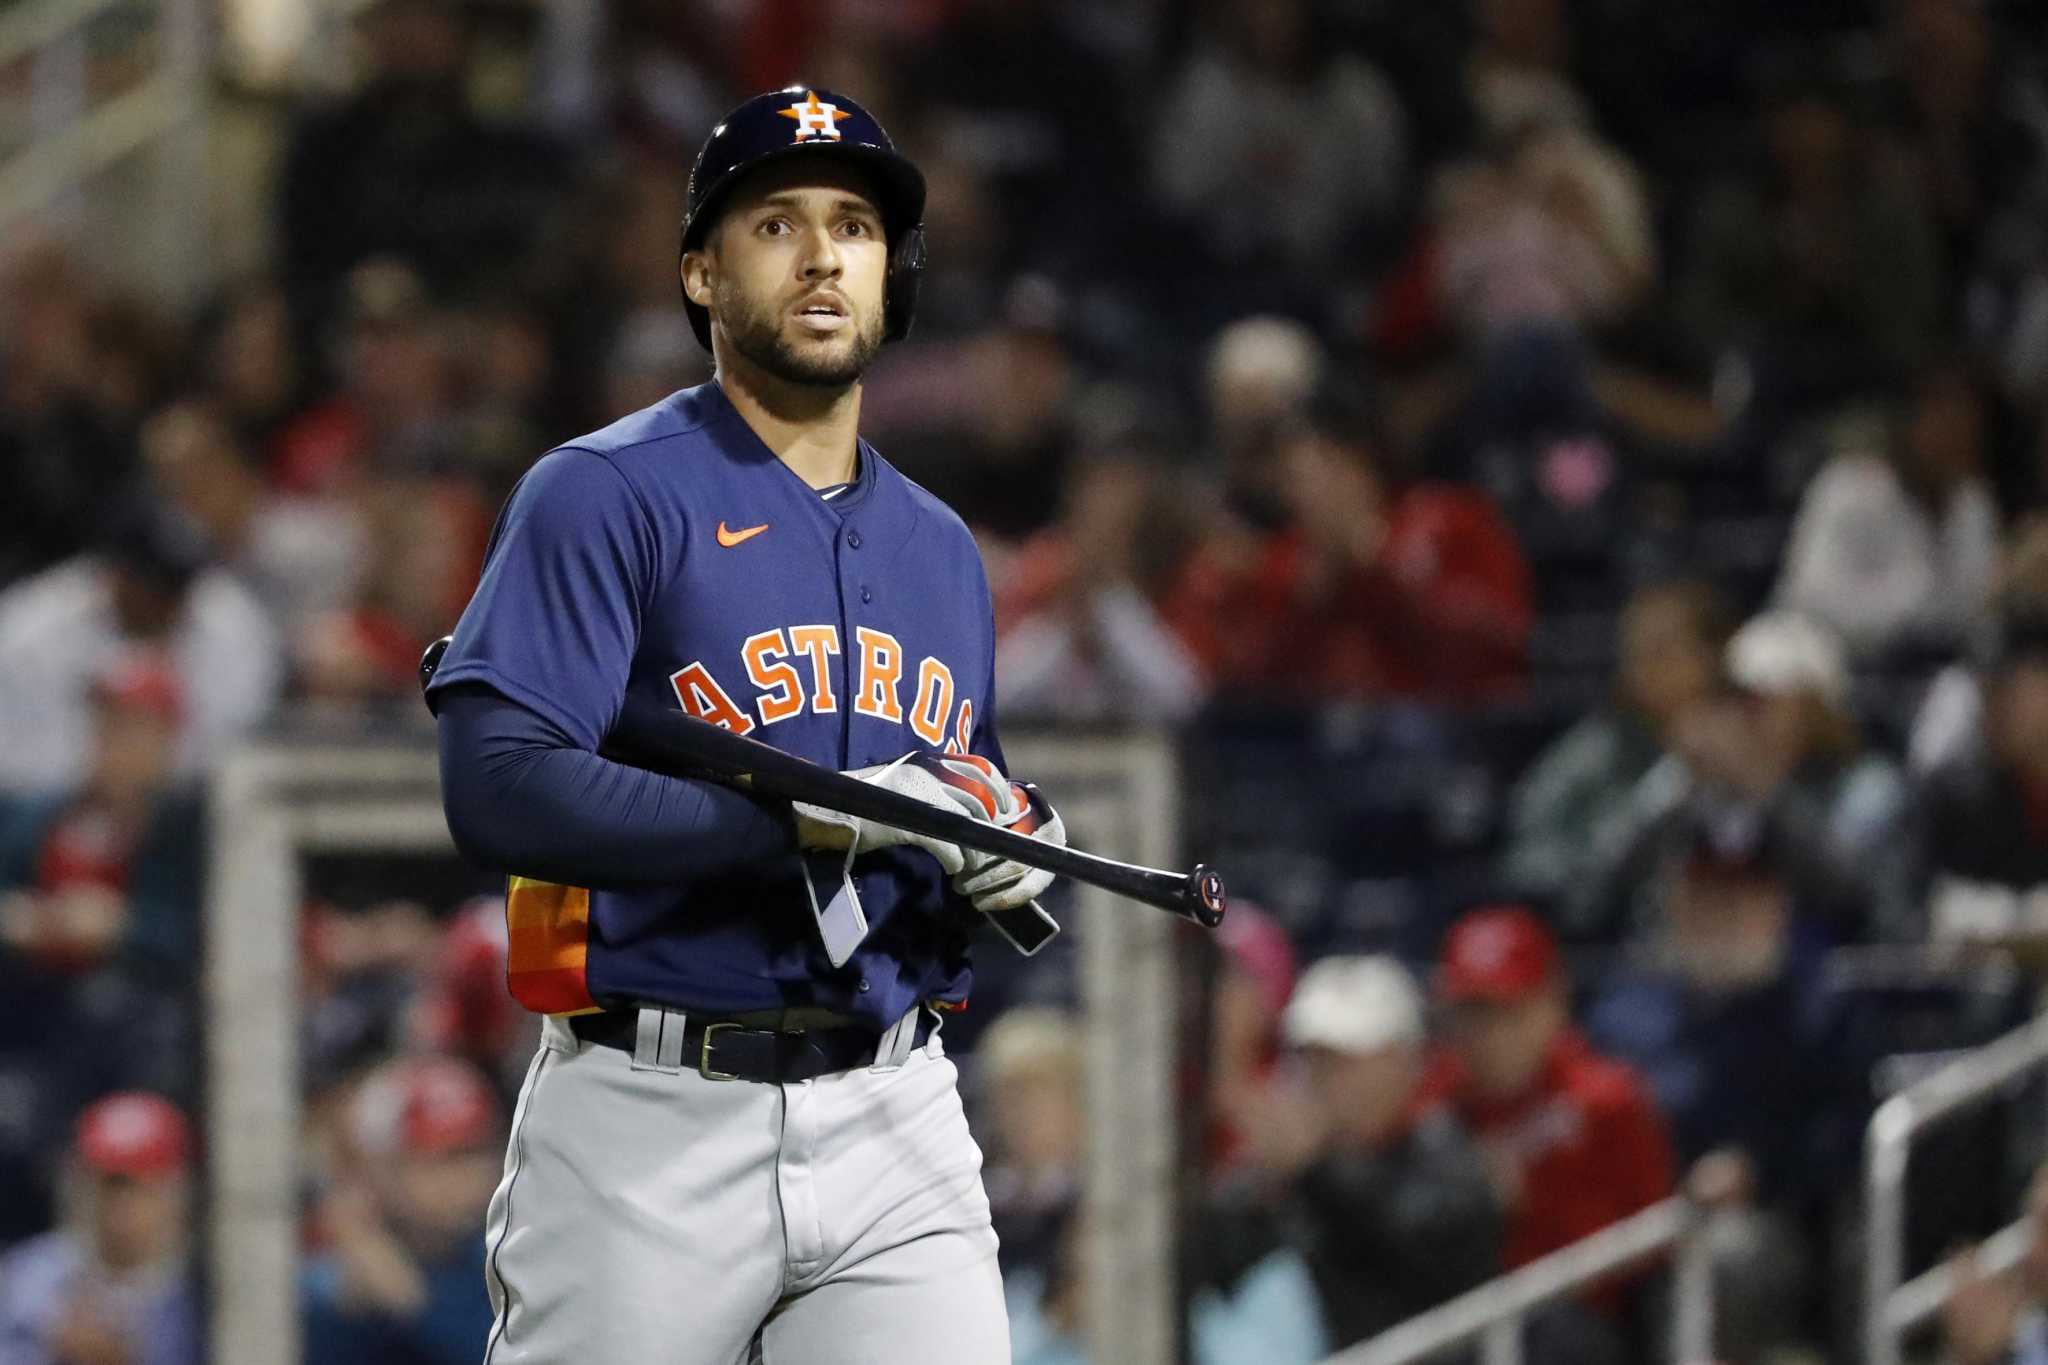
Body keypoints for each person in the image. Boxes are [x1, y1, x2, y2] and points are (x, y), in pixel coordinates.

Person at [425, 87, 1069, 1364]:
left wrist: (1003, 832)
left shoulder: (940, 550)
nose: (825, 254)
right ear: (701, 276)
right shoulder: (602, 493)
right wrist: (783, 823)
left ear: (895, 275)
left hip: (896, 1108)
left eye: (855, 226)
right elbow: (495, 786)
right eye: (776, 223)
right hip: (651, 1120)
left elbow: (944, 786)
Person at [1423, 907, 1673, 1283]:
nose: (1490, 1033)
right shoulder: (1432, 1105)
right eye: (1473, 1011)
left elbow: (1654, 1239)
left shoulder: (1605, 1098)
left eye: (1508, 1010)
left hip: (1592, 1317)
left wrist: (1530, 1206)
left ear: (1551, 1003)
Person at [301, 1056, 503, 1365]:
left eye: (475, 1154)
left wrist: (408, 1302)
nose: (465, 1178)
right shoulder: (325, 1292)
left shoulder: (510, 1262)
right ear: (383, 1171)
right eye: (439, 1159)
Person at [0, 1093, 200, 1365]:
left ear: (175, 1189)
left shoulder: (200, 1289)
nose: (122, 1204)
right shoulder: (29, 1278)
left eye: (141, 1186)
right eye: (109, 1185)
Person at [1942, 1160, 2048, 1365]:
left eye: (2045, 1230)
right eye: (2032, 1225)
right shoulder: (2028, 1335)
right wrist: (1975, 1357)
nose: (2030, 1249)